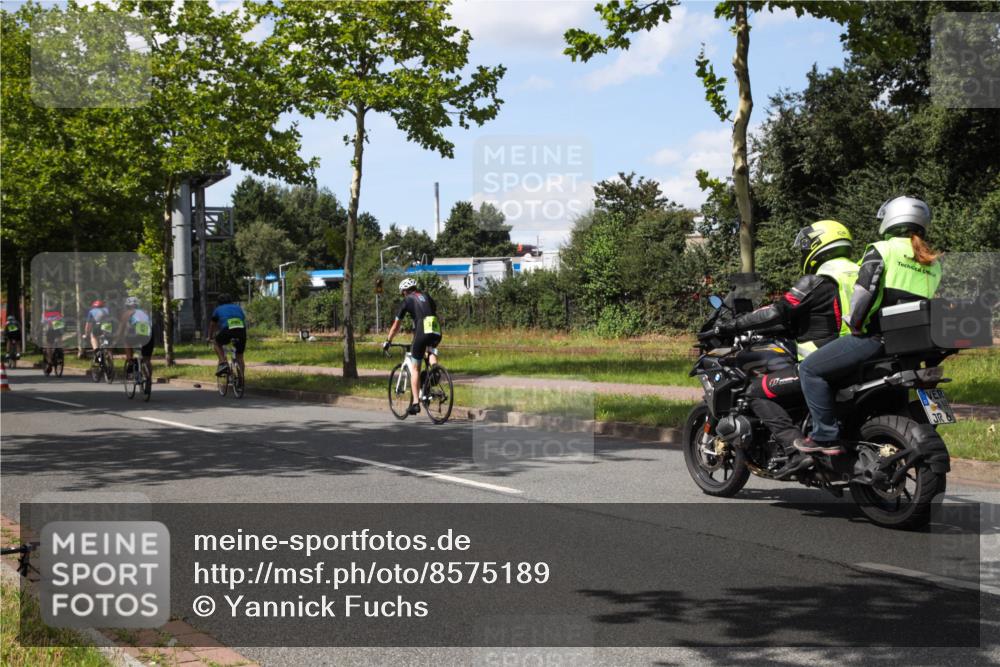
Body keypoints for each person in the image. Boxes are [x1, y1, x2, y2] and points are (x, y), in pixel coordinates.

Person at [798, 196, 942, 453]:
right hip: (912, 346)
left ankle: (825, 436)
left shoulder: (882, 249)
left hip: (877, 338)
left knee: (810, 369)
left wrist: (855, 323)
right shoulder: (932, 261)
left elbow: (865, 291)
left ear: (891, 218)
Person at [717, 220, 859, 477]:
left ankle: (795, 451)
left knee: (755, 391)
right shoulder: (862, 273)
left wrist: (732, 326)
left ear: (817, 247)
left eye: (806, 248)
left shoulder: (817, 281)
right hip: (858, 357)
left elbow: (775, 312)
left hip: (821, 363)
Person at [383, 278, 442, 416]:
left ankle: (415, 403)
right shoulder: (426, 296)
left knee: (415, 368)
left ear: (404, 292)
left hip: (422, 329)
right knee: (430, 349)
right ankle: (435, 370)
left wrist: (388, 340)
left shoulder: (407, 300)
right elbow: (431, 311)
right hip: (435, 328)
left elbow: (396, 325)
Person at [208, 294, 246, 378]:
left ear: (219, 303)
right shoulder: (238, 308)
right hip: (241, 330)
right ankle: (241, 379)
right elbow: (243, 318)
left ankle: (223, 362)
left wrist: (209, 337)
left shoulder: (218, 309)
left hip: (227, 329)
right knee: (240, 356)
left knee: (216, 343)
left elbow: (212, 324)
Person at [116, 297, 154, 383]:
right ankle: (149, 380)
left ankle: (130, 361)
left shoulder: (128, 313)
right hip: (149, 334)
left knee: (126, 341)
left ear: (127, 306)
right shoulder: (146, 312)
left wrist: (117, 339)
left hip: (136, 334)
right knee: (147, 359)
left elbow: (121, 328)